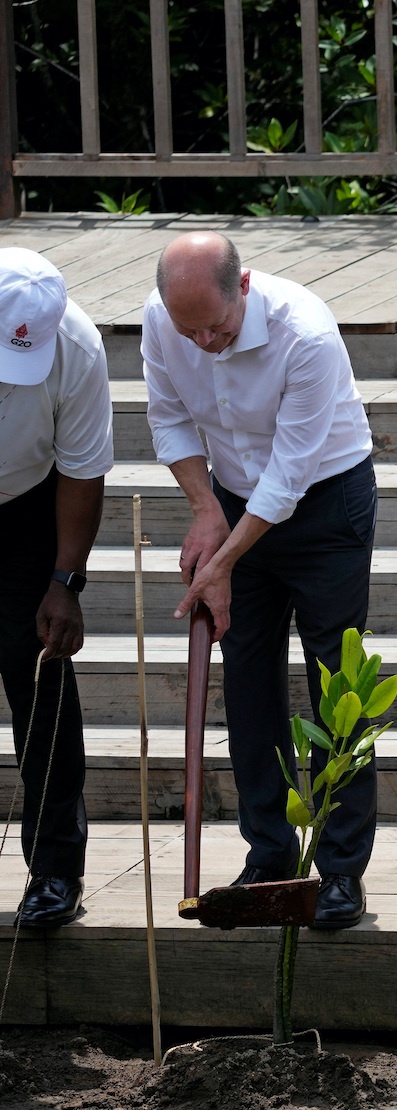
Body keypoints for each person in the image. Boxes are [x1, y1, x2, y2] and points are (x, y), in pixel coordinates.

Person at [145, 231, 378, 929]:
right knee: (246, 677)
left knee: (339, 683)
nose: (204, 342)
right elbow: (169, 417)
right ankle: (270, 853)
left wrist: (221, 559)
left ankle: (339, 869)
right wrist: (203, 510)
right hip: (235, 497)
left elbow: (289, 476)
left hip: (325, 502)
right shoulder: (166, 320)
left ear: (243, 288)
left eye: (215, 326)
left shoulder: (304, 333)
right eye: (190, 331)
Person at [0, 249, 112, 928]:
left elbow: (82, 466)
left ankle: (55, 870)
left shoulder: (76, 345)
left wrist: (64, 581)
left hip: (28, 504)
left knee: (37, 677)